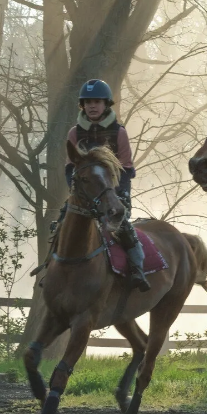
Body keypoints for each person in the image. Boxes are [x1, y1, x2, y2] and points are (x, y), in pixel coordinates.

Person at [61, 78, 149, 292]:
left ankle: (138, 269)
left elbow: (126, 168)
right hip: (84, 194)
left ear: (106, 104)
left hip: (112, 192)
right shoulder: (74, 133)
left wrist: (120, 196)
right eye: (88, 102)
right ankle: (50, 266)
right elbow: (70, 168)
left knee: (124, 228)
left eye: (97, 101)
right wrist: (75, 193)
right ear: (83, 105)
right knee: (60, 225)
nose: (92, 106)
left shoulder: (119, 132)